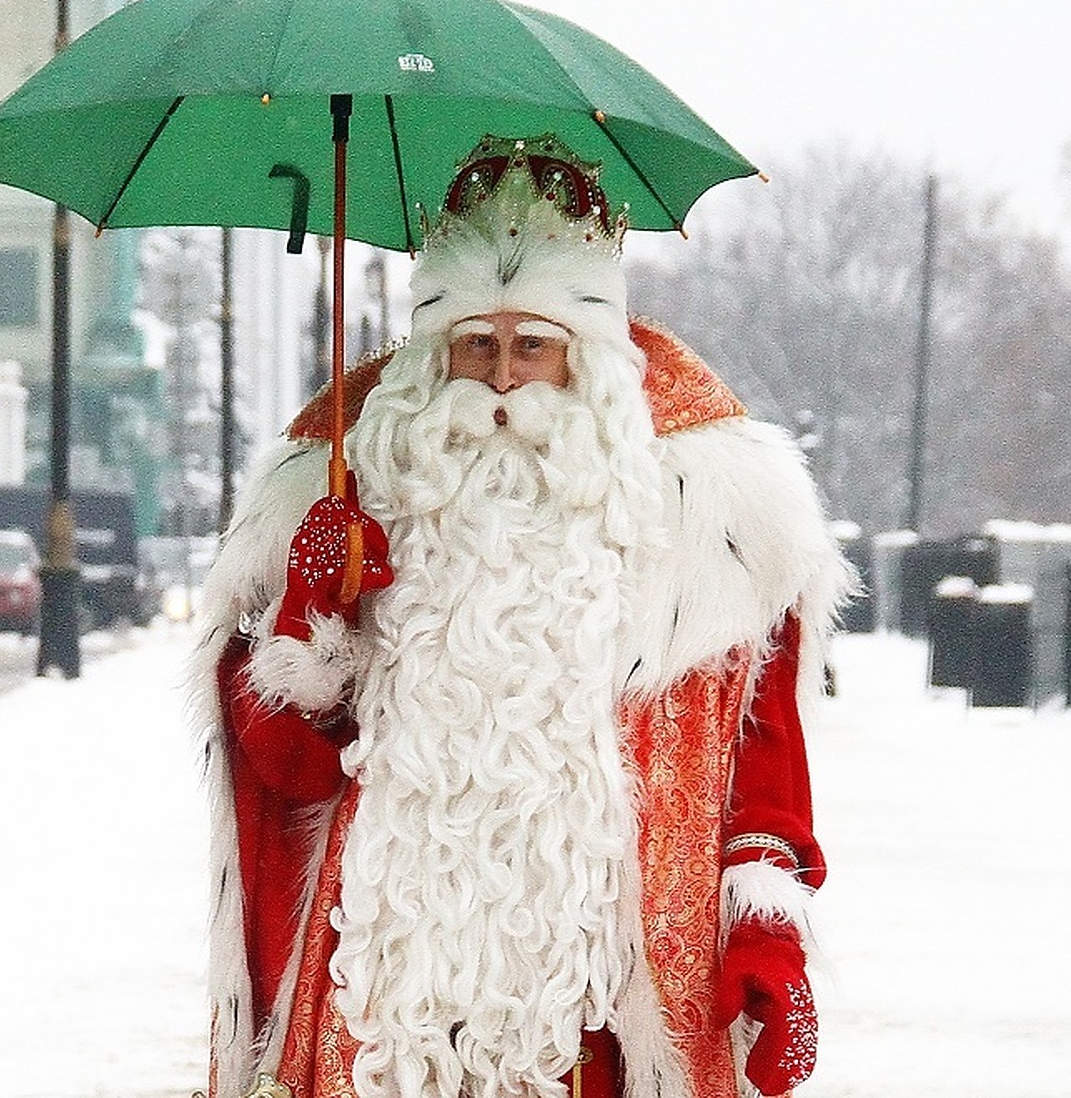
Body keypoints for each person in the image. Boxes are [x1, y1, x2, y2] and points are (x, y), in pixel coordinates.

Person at [190, 134, 854, 1098]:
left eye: (532, 345)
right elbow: (286, 772)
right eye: (476, 344)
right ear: (434, 352)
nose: (501, 377)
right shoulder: (350, 485)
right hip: (381, 1009)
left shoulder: (702, 515)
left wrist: (766, 932)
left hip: (596, 1021)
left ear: (582, 357)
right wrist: (312, 614)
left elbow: (762, 755)